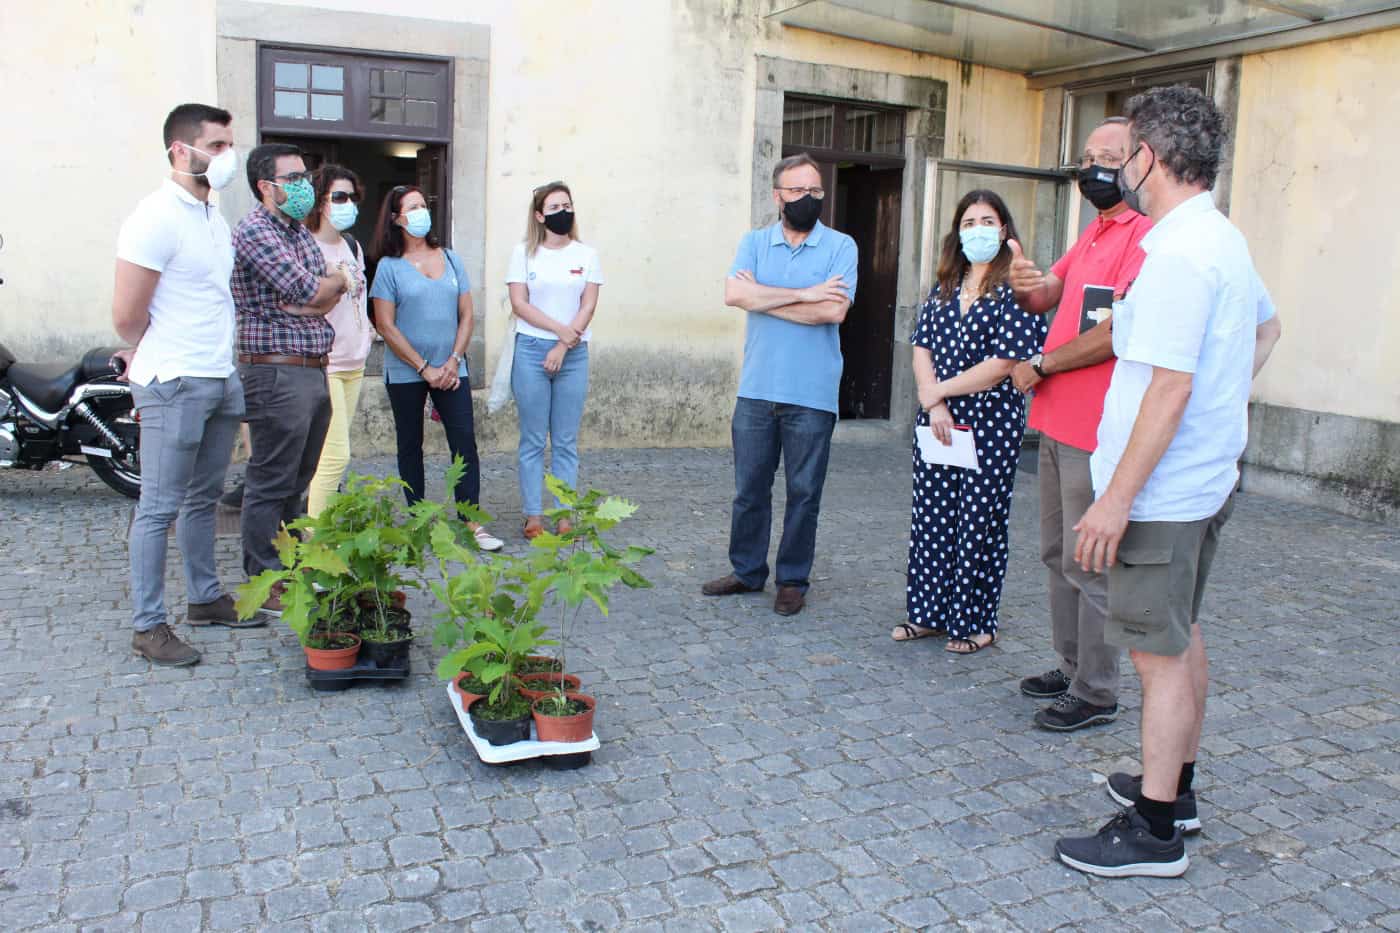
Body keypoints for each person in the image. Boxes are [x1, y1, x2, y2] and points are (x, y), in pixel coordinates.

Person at [1054, 85, 1281, 879]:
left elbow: (1170, 387)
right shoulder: (1219, 237)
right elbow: (1267, 329)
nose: (1119, 171)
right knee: (1180, 638)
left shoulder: (1182, 254)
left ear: (1148, 157)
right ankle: (1174, 788)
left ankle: (1154, 831)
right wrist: (1221, 410)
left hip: (1161, 495)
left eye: (1125, 155)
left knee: (1156, 656)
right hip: (1200, 481)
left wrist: (1115, 499)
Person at [1007, 117, 1154, 731]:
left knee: (1088, 562)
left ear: (1139, 163)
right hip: (1055, 420)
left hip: (1095, 430)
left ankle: (1097, 690)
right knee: (1056, 554)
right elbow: (1047, 295)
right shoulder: (1093, 230)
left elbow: (1116, 333)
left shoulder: (1145, 238)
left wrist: (1042, 363)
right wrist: (1024, 283)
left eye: (1109, 158)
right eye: (1088, 156)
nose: (1093, 168)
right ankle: (1071, 667)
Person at [114, 103, 265, 666]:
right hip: (174, 380)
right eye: (217, 145)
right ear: (181, 151)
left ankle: (204, 598)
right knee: (158, 507)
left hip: (219, 376)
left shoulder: (212, 217)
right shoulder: (154, 217)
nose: (228, 156)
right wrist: (160, 351)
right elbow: (126, 315)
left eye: (229, 144)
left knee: (204, 498)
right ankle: (148, 626)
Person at [889, 190, 1046, 654]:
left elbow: (1003, 363)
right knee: (933, 517)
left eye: (987, 221)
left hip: (990, 422)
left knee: (980, 521)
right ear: (957, 232)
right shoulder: (945, 286)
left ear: (1004, 229)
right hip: (939, 422)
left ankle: (976, 622)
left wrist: (940, 391)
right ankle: (927, 614)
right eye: (969, 222)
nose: (978, 230)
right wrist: (933, 401)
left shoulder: (1017, 288)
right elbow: (921, 347)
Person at [702, 153, 857, 617]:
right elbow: (734, 293)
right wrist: (806, 293)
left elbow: (833, 311)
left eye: (815, 190)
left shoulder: (841, 246)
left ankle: (792, 580)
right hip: (756, 389)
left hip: (812, 394)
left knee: (804, 494)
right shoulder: (754, 242)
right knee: (749, 489)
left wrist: (764, 298)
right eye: (797, 190)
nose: (807, 198)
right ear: (777, 196)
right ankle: (747, 571)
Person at [233, 142, 355, 608]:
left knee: (298, 478)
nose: (305, 185)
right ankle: (264, 577)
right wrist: (323, 288)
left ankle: (289, 564)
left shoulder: (298, 233)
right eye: (294, 178)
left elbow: (323, 294)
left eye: (306, 176)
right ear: (266, 186)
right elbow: (308, 287)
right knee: (271, 477)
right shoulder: (255, 231)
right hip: (276, 371)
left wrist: (323, 290)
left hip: (312, 366)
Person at [369, 185, 504, 551]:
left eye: (422, 205)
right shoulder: (389, 267)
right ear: (396, 219)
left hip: (451, 368)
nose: (421, 212)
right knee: (409, 443)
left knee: (464, 441)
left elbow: (467, 315)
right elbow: (385, 325)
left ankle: (471, 520)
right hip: (407, 371)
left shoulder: (451, 258)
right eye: (411, 207)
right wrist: (423, 367)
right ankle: (419, 518)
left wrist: (454, 360)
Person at [506, 182, 603, 539]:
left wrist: (563, 345)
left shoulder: (586, 255)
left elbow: (588, 305)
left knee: (565, 440)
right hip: (532, 350)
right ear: (539, 215)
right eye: (554, 207)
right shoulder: (523, 253)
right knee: (533, 439)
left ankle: (564, 513)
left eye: (567, 205)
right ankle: (533, 514)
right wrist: (558, 331)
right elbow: (520, 303)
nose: (563, 212)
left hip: (572, 355)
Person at [304, 164, 372, 516]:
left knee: (329, 458)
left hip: (354, 360)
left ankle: (321, 526)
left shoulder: (351, 246)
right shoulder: (306, 247)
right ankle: (316, 537)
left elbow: (359, 298)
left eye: (353, 197)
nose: (349, 205)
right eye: (340, 197)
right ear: (320, 201)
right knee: (335, 456)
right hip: (325, 363)